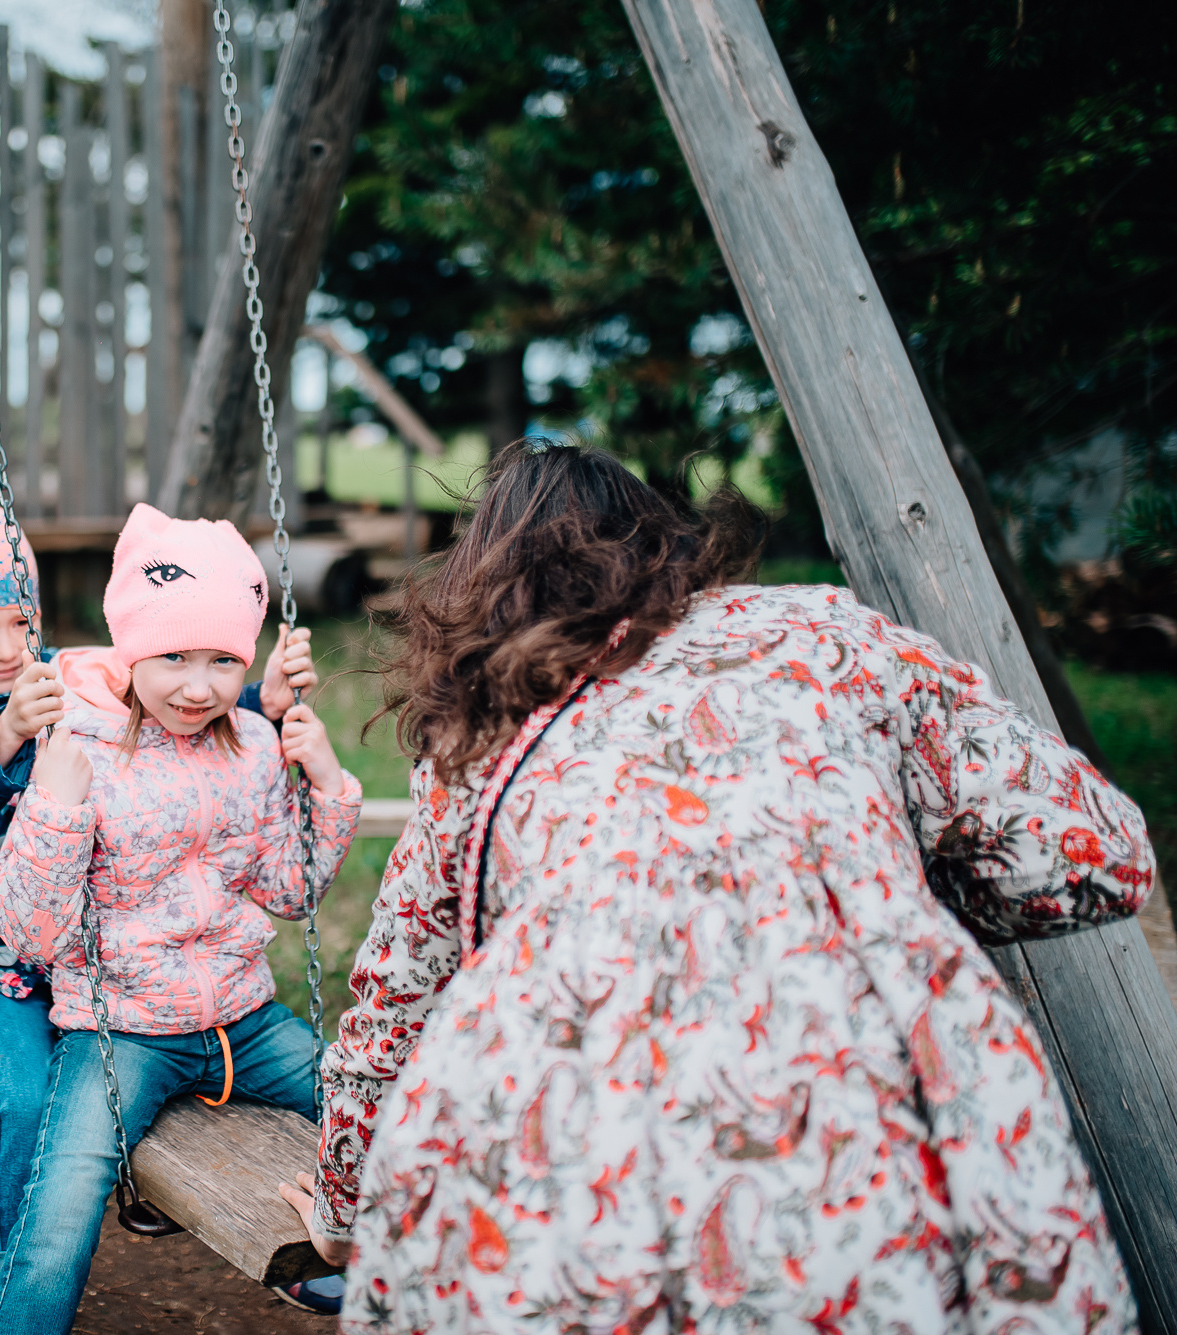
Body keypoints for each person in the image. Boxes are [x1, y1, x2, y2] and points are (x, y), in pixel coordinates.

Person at [279, 443, 1150, 1332]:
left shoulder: (479, 731)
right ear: (664, 541)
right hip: (856, 1068)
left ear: (487, 584)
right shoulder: (833, 636)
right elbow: (1098, 853)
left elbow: (397, 1002)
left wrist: (345, 1218)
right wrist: (874, 892)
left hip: (568, 1111)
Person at [0, 505, 326, 1308]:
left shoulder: (68, 676)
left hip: (93, 958)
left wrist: (262, 699)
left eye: (19, 622)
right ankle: (8, 1274)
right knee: (29, 1095)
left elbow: (166, 672)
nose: (6, 648)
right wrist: (3, 736)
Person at [0, 503, 364, 1335]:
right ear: (130, 647)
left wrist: (326, 781)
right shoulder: (76, 743)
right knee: (64, 1195)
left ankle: (411, 1276)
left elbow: (291, 890)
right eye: (174, 657)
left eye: (224, 659)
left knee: (373, 1107)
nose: (199, 685)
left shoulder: (254, 745)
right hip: (121, 1031)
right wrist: (57, 806)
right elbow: (30, 935)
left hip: (244, 1022)